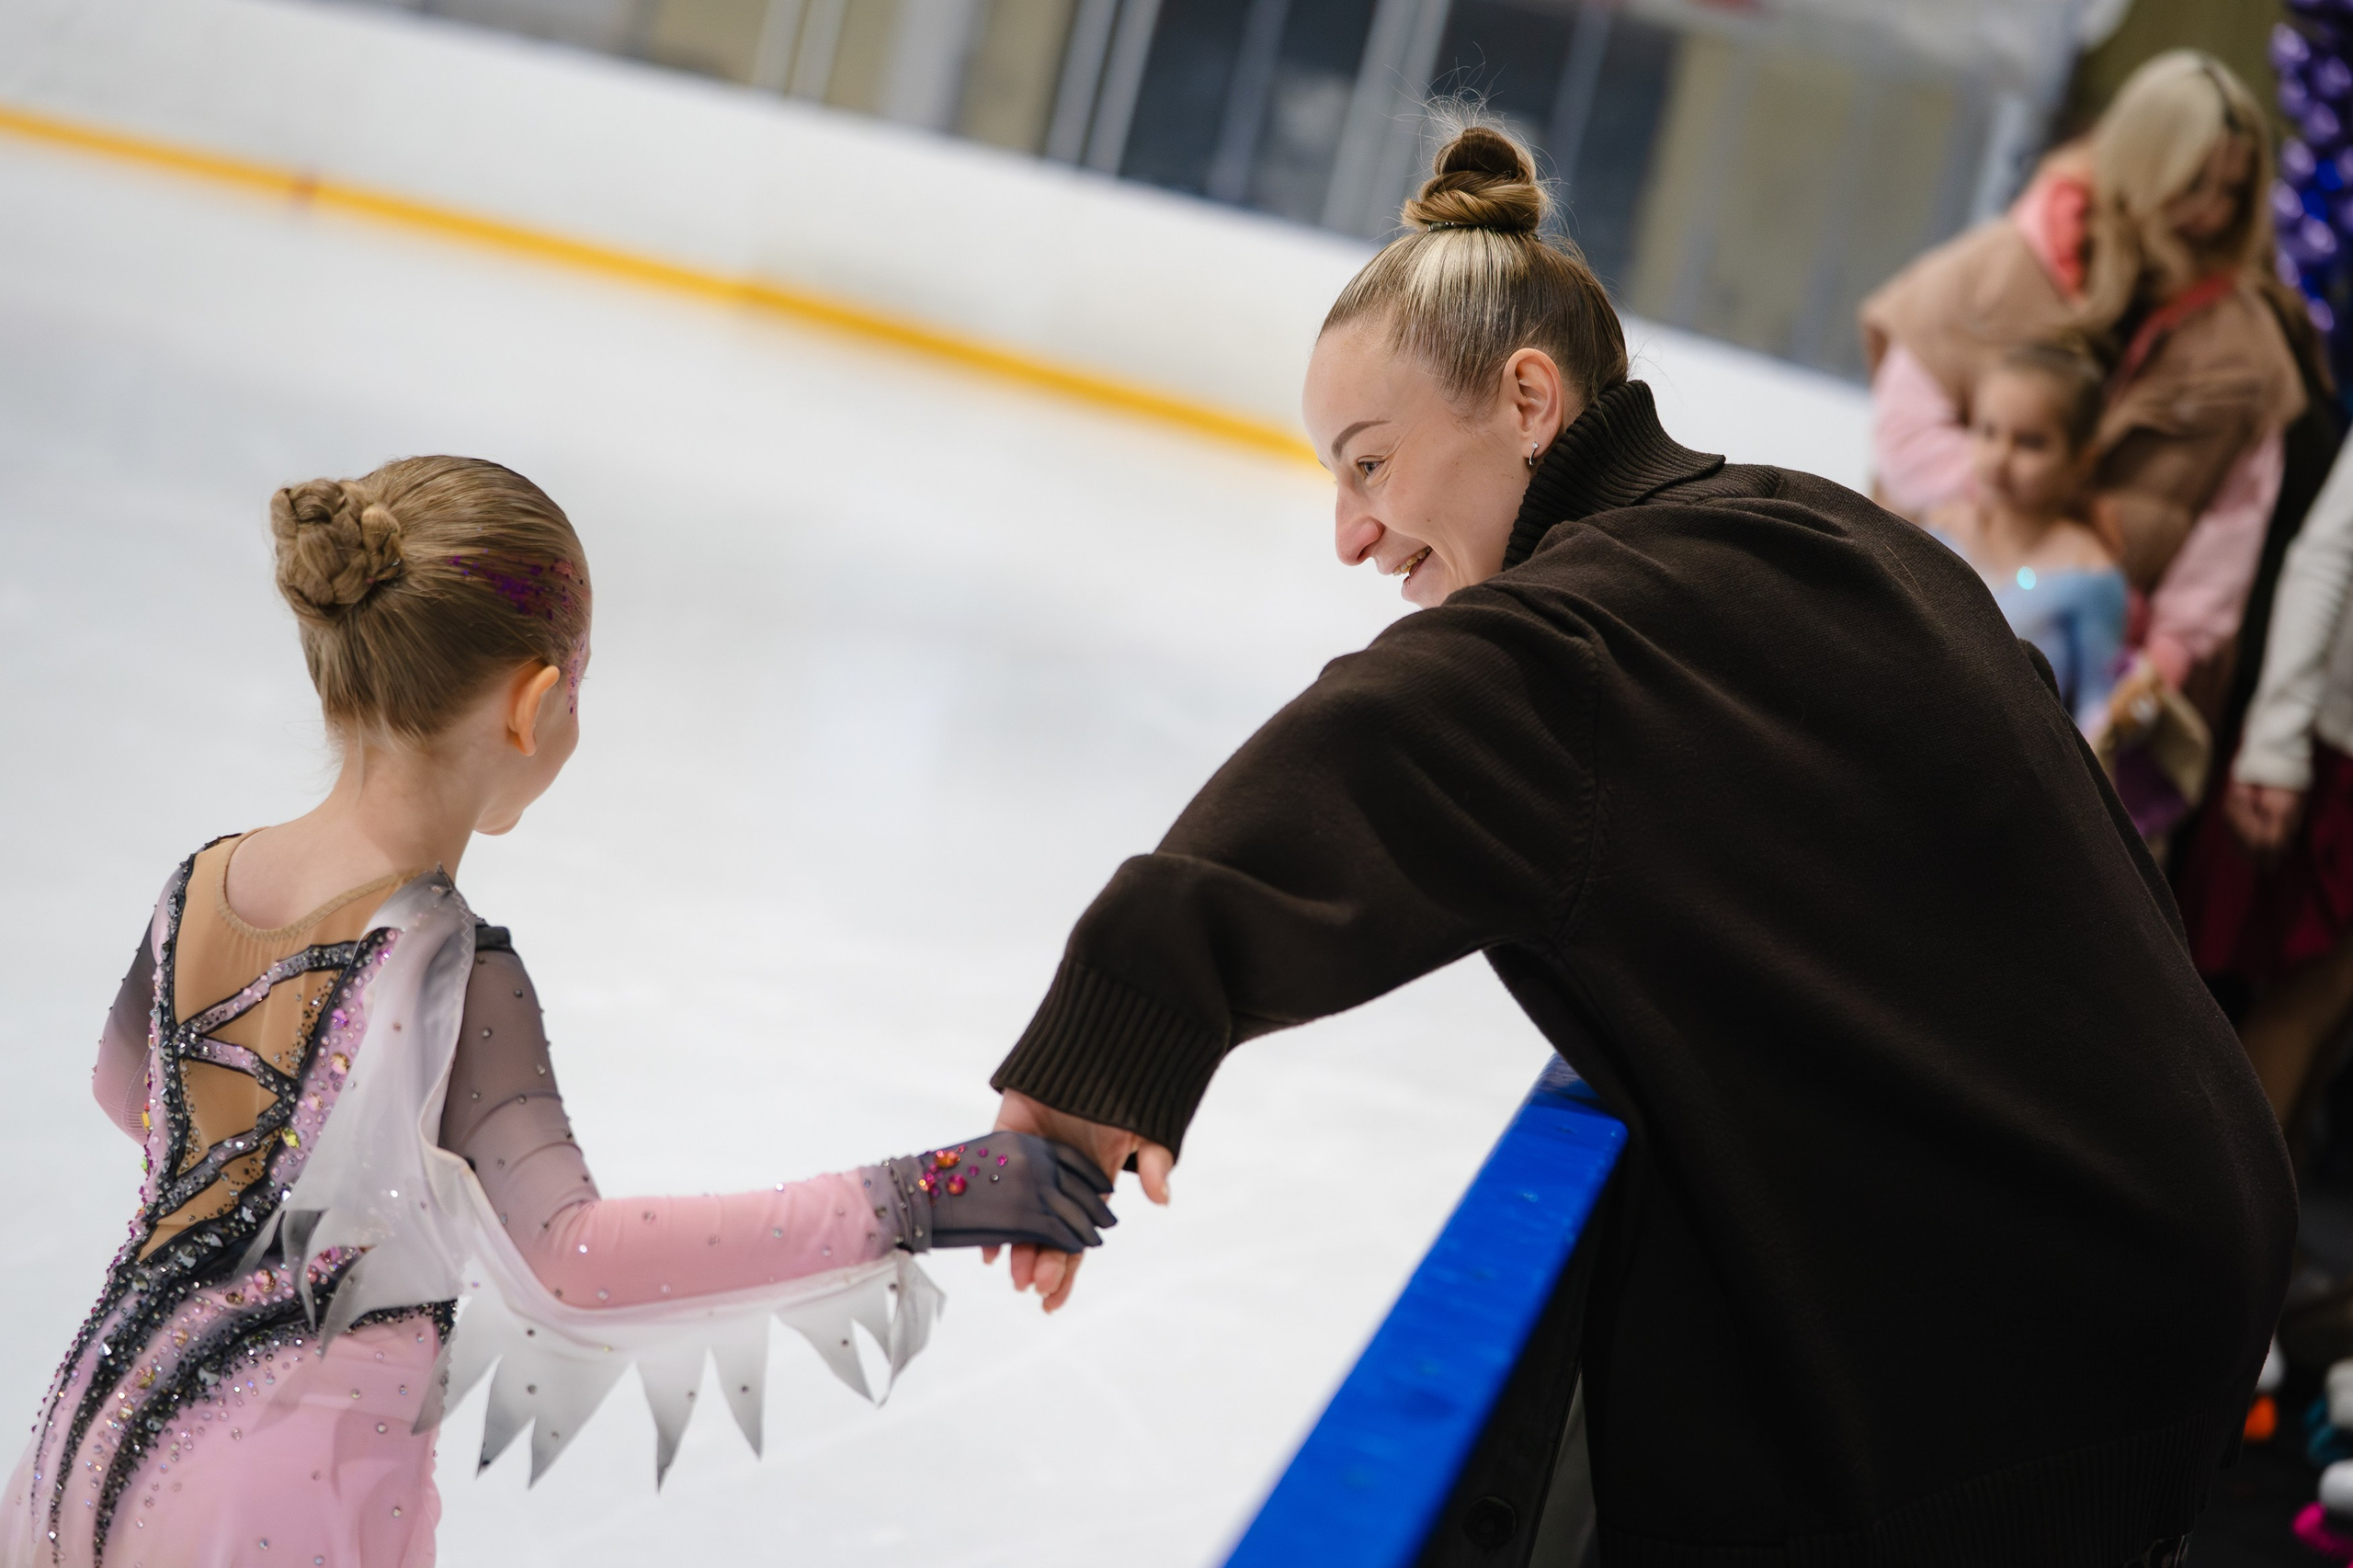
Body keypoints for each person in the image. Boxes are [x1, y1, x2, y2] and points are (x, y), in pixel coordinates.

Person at [983, 119, 2292, 1564]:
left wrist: (1114, 1038)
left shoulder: (1596, 632)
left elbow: (1373, 744)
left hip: (2054, 1312)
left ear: (1528, 399)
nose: (1350, 536)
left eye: (1370, 463)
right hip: (2160, 1230)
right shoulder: (1807, 530)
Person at [6, 458, 1115, 1568]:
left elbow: (128, 1089)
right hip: (286, 1503)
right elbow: (573, 1256)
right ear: (534, 704)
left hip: (79, 1455)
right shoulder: (451, 965)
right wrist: (919, 1196)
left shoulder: (199, 882)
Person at [1861, 51, 2305, 738]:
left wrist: (2164, 664)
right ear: (2141, 162)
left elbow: (2231, 531)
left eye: (2231, 191)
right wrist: (2038, 514)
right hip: (1926, 632)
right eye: (2193, 184)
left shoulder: (2249, 352)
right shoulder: (1993, 271)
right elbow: (1904, 435)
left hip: (2107, 693)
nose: (2211, 213)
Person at [1924, 341, 2126, 733]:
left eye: (2030, 442)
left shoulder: (2091, 574)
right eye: (1988, 432)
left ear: (2082, 460)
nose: (2000, 458)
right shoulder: (1940, 528)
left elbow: (2096, 714)